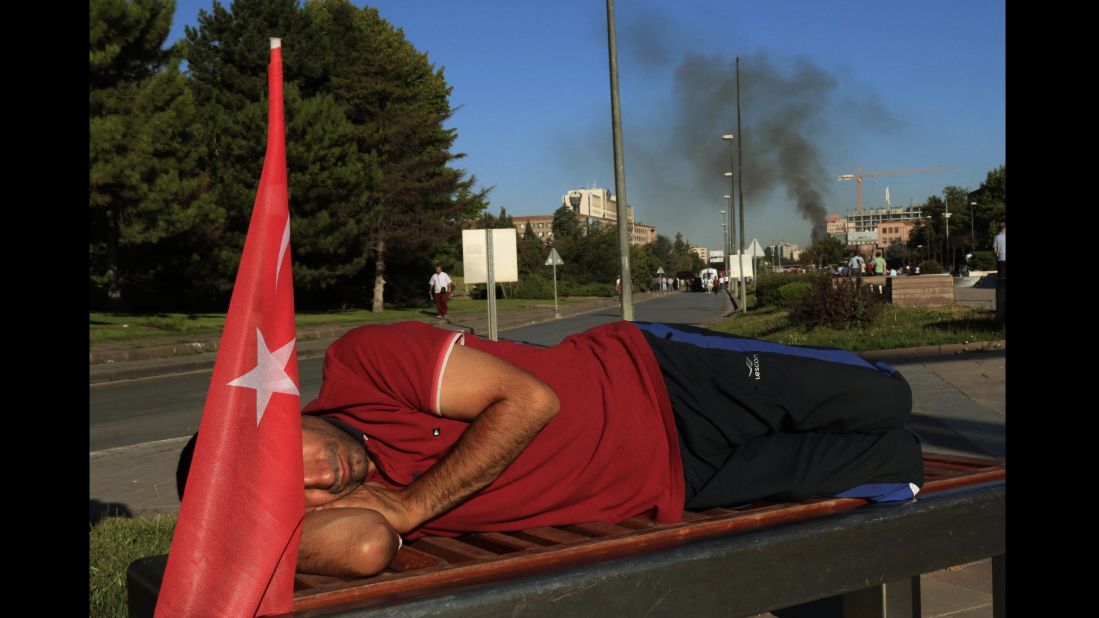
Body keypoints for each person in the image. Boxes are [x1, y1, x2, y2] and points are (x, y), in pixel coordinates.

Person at [178, 320, 924, 578]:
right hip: (676, 482)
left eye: (288, 456)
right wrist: (261, 531)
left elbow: (529, 400)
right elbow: (368, 549)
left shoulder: (364, 363)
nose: (320, 477)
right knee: (895, 463)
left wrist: (411, 503)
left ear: (282, 415)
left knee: (885, 399)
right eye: (296, 498)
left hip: (661, 377)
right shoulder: (346, 510)